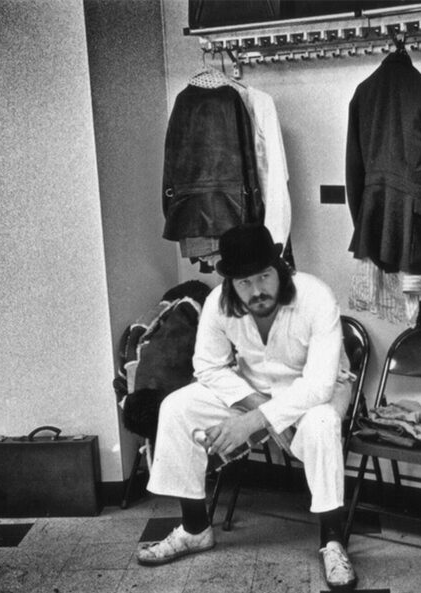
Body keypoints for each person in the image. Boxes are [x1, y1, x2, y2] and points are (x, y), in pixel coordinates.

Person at [137, 223, 358, 591]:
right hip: (250, 389)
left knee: (321, 422)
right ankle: (195, 529)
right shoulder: (218, 304)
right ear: (230, 284)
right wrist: (261, 412)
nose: (256, 291)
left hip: (317, 392)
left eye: (264, 276)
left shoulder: (316, 296)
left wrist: (256, 421)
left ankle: (332, 541)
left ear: (280, 269)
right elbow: (207, 367)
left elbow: (319, 384)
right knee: (177, 407)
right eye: (244, 282)